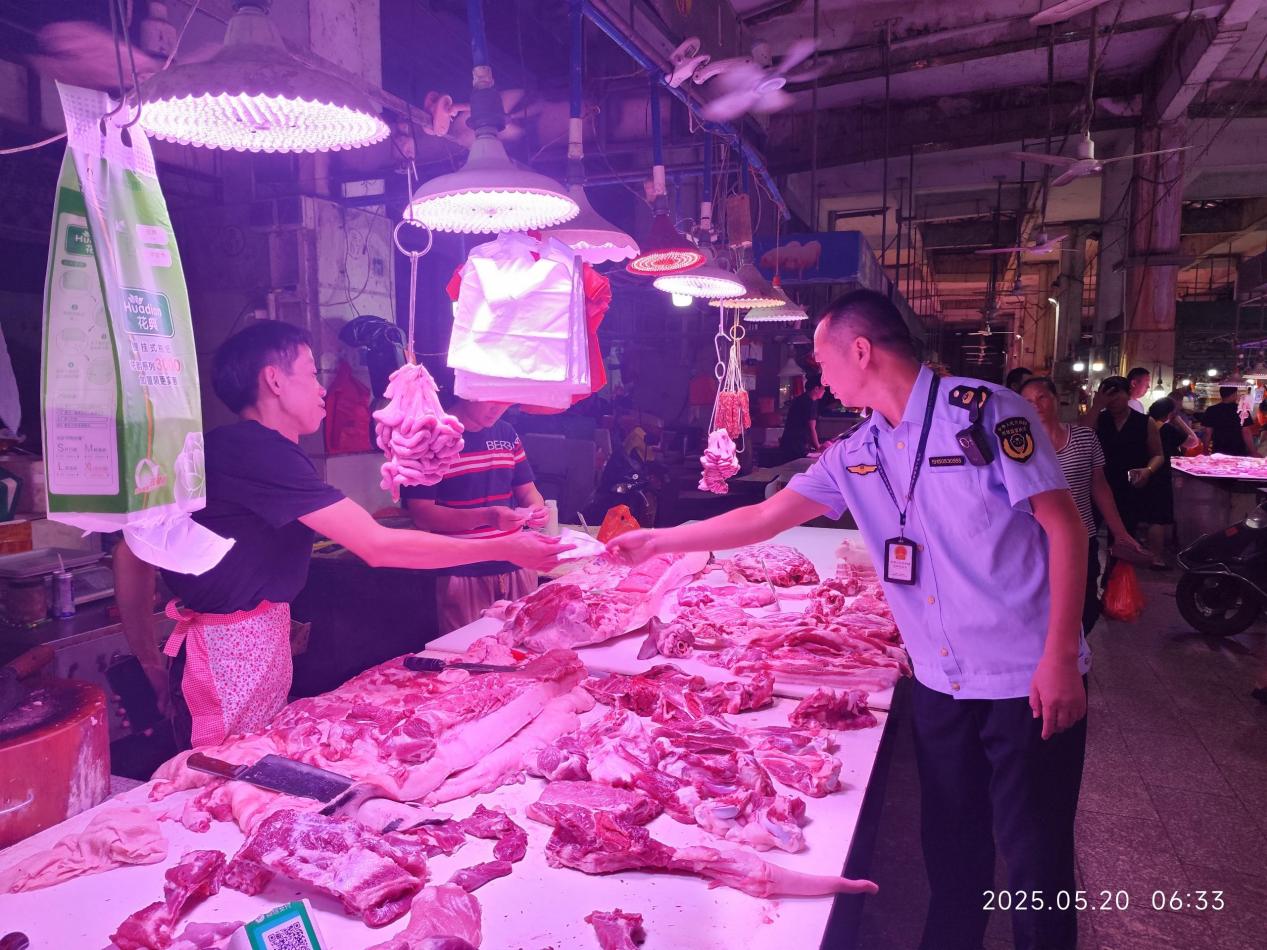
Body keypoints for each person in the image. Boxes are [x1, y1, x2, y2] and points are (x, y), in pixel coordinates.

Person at [610, 289, 1089, 950]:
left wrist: (1059, 656)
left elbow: (1065, 528)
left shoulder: (985, 414)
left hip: (1022, 680)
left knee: (1036, 858)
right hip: (939, 686)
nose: (819, 375)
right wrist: (660, 540)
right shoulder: (856, 452)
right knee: (951, 853)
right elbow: (763, 517)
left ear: (860, 351)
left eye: (822, 359)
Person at [121, 322, 570, 749]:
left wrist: (148, 657)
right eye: (311, 374)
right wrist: (505, 547)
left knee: (249, 767)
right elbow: (377, 545)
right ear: (274, 380)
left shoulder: (251, 450)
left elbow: (130, 548)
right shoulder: (253, 451)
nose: (322, 389)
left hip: (253, 646)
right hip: (223, 658)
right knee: (214, 778)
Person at [402, 399, 550, 635]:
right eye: (491, 401)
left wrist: (536, 508)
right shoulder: (429, 438)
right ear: (468, 392)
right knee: (468, 650)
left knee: (525, 646)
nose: (498, 409)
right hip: (462, 570)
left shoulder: (507, 433)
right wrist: (487, 517)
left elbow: (528, 491)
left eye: (505, 402)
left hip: (517, 563)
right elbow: (422, 513)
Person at [1020, 377, 1144, 633]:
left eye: (1042, 397)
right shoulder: (1017, 447)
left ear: (1056, 399)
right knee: (1041, 607)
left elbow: (1100, 487)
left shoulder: (1085, 437)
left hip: (1081, 537)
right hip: (1036, 540)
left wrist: (1120, 532)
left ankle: (1078, 650)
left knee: (1086, 605)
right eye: (1028, 401)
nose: (1037, 405)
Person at [1094, 376, 1164, 541]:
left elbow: (1158, 455)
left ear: (1128, 395)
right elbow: (1080, 435)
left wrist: (1148, 470)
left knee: (1124, 536)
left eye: (1117, 396)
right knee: (1089, 534)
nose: (1113, 402)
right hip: (1098, 484)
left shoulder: (1144, 422)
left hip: (1129, 485)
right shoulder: (1099, 419)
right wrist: (1096, 406)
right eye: (1108, 397)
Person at [1143, 398, 1200, 569]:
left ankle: (1146, 551)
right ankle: (1155, 558)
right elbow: (1194, 441)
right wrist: (1179, 420)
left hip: (1144, 472)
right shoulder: (1167, 430)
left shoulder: (1143, 425)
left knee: (1149, 515)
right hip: (1160, 475)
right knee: (1158, 518)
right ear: (1169, 414)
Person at [778, 375, 826, 461]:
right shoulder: (808, 403)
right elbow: (811, 428)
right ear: (816, 389)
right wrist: (818, 446)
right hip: (796, 447)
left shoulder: (804, 399)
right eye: (823, 389)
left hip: (791, 444)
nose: (824, 391)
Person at [1200, 386, 1258, 457]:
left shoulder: (1211, 410)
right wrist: (1253, 451)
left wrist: (1205, 450)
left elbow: (1207, 433)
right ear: (1234, 394)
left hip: (1218, 450)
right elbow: (1246, 432)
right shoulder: (1242, 410)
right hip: (1238, 450)